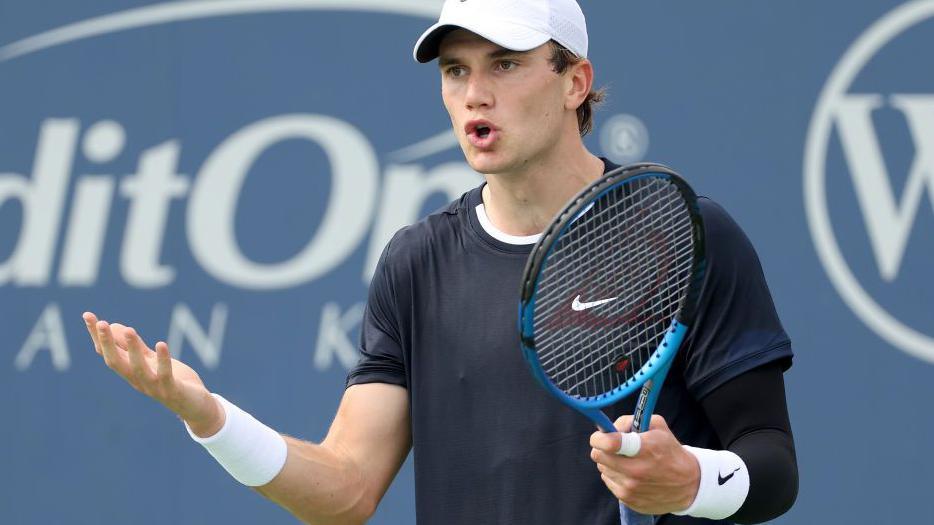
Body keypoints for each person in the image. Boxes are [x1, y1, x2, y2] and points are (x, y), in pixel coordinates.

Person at [84, 1, 798, 523]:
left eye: (505, 64)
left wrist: (692, 479)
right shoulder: (416, 262)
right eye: (455, 71)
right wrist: (207, 415)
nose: (473, 95)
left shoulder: (682, 232)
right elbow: (346, 487)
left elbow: (772, 460)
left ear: (575, 82)